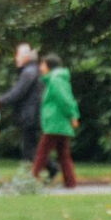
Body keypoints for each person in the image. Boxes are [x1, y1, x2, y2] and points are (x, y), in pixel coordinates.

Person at [31, 53, 79, 188]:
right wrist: (72, 115)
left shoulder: (56, 80)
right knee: (63, 155)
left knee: (41, 153)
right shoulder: (55, 79)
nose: (40, 67)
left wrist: (73, 115)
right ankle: (70, 183)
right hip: (59, 123)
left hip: (55, 123)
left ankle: (30, 181)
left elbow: (65, 99)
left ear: (48, 66)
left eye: (42, 64)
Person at [0, 42, 42, 163]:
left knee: (29, 149)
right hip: (31, 114)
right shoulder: (31, 70)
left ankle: (49, 169)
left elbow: (18, 92)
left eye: (17, 54)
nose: (15, 58)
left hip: (30, 114)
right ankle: (45, 170)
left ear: (25, 56)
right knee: (31, 148)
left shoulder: (29, 72)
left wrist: (0, 101)